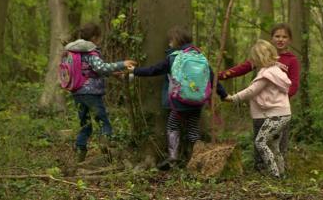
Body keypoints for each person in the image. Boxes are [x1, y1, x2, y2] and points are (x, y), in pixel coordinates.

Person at [127, 26, 228, 170]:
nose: (169, 43)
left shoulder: (174, 57)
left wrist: (135, 71)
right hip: (198, 102)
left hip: (180, 103)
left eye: (170, 41)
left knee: (172, 126)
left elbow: (154, 70)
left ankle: (173, 157)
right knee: (193, 128)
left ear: (175, 41)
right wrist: (223, 95)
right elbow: (212, 78)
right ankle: (196, 157)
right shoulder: (200, 56)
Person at [219, 23, 300, 170]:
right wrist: (221, 76)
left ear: (290, 40)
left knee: (278, 144)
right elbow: (242, 68)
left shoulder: (291, 60)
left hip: (279, 109)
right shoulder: (263, 56)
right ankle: (260, 169)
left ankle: (279, 171)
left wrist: (282, 99)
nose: (280, 39)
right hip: (260, 109)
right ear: (272, 38)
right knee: (259, 139)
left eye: (284, 37)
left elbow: (293, 84)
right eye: (277, 36)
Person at [65, 22, 136, 163]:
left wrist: (115, 73)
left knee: (85, 124)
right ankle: (105, 143)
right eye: (99, 38)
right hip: (91, 93)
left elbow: (90, 71)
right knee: (103, 122)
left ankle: (80, 151)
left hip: (77, 93)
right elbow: (100, 68)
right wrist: (122, 63)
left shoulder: (73, 53)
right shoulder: (91, 53)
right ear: (95, 38)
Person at [225, 39, 291, 178]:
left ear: (260, 58)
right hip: (282, 114)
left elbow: (251, 91)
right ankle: (282, 173)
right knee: (274, 146)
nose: (252, 62)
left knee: (260, 142)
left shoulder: (267, 74)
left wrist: (233, 98)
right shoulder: (276, 70)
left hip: (276, 116)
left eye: (254, 59)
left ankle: (275, 176)